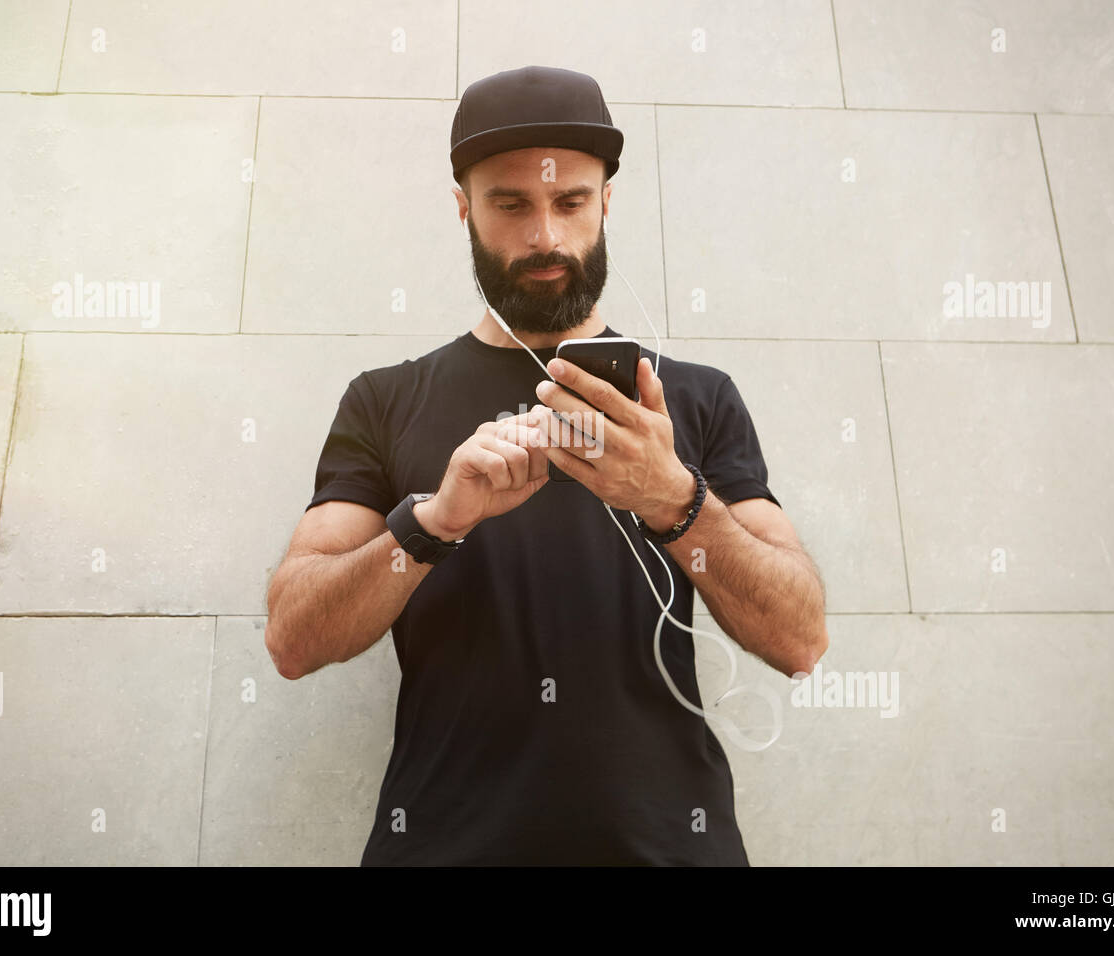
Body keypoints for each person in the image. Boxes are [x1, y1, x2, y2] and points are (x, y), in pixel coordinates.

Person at [264, 65, 828, 866]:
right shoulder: (385, 399)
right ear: (463, 207)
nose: (545, 238)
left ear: (607, 202)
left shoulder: (693, 398)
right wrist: (431, 525)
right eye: (509, 204)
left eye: (571, 202)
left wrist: (674, 499)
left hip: (670, 848)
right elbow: (292, 638)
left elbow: (801, 638)